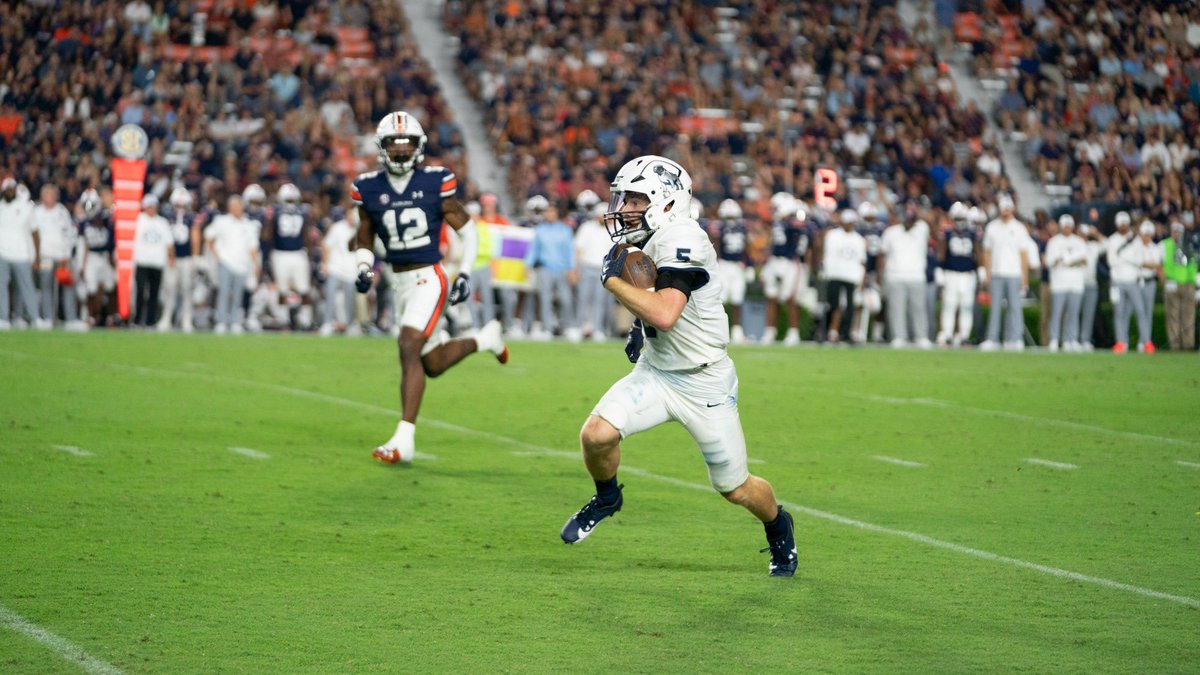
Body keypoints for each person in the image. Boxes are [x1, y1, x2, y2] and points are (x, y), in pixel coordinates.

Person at [559, 154, 797, 577]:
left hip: (704, 383)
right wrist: (637, 324)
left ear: (665, 201)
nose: (624, 208)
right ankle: (608, 496)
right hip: (657, 371)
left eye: (633, 199)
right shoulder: (652, 235)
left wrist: (613, 282)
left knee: (735, 489)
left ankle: (778, 525)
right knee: (596, 436)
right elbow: (654, 297)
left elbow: (667, 312)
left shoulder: (683, 236)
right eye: (624, 199)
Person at [353, 111, 509, 465]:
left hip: (429, 276)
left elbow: (468, 230)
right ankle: (485, 339)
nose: (401, 151)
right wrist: (364, 266)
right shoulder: (368, 187)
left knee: (408, 344)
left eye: (407, 144)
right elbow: (365, 235)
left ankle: (404, 439)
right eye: (394, 145)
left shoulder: (434, 182)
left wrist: (465, 272)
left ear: (420, 148)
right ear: (382, 148)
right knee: (432, 363)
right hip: (398, 282)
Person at [980, 195, 1030, 351]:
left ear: (1012, 209)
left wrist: (1025, 277)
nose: (1005, 211)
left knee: (1015, 307)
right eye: (1003, 208)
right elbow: (986, 252)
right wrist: (987, 273)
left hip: (1014, 273)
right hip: (996, 272)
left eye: (1008, 208)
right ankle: (992, 339)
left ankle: (1015, 339)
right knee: (994, 307)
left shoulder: (1020, 228)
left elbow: (1024, 254)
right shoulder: (992, 227)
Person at [205, 194, 260, 335]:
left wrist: (256, 265)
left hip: (242, 264)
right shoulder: (221, 221)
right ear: (229, 208)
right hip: (225, 262)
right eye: (233, 206)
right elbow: (208, 237)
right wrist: (216, 256)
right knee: (223, 293)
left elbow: (253, 247)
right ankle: (221, 322)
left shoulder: (248, 224)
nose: (236, 209)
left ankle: (235, 322)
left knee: (238, 295)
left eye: (238, 206)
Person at [760, 194, 810, 346]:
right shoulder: (777, 222)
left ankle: (793, 333)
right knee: (771, 297)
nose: (774, 211)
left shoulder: (794, 222)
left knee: (790, 299)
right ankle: (770, 332)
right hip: (775, 260)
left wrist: (788, 217)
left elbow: (799, 228)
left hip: (789, 262)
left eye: (776, 208)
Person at [263, 182, 314, 330]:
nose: (291, 203)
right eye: (289, 200)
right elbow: (269, 235)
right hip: (281, 253)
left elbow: (306, 235)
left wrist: (308, 254)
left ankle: (305, 320)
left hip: (297, 253)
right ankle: (284, 319)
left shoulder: (298, 212)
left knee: (303, 289)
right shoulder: (279, 212)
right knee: (283, 289)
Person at [31, 184, 81, 328]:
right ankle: (47, 318)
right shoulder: (37, 212)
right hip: (45, 256)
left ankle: (70, 319)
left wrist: (67, 254)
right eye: (47, 194)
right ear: (42, 196)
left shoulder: (62, 212)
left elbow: (70, 233)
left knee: (68, 285)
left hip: (61, 257)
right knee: (45, 286)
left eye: (53, 194)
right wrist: (36, 256)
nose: (50, 197)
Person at [526, 203, 578, 341]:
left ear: (556, 213)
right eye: (547, 212)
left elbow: (569, 251)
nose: (549, 214)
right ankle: (547, 328)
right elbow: (534, 250)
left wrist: (571, 268)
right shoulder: (540, 229)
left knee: (565, 299)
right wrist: (528, 265)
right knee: (545, 299)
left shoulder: (565, 229)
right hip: (545, 268)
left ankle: (568, 327)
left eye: (552, 211)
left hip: (562, 269)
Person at [879, 212, 931, 348]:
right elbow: (882, 254)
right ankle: (898, 337)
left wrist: (917, 212)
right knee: (896, 309)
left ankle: (921, 337)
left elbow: (933, 223)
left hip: (917, 275)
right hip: (895, 275)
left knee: (919, 308)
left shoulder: (922, 229)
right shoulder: (891, 232)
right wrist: (881, 276)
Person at [0, 177, 42, 329]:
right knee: (1, 287)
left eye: (12, 188)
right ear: (3, 191)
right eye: (7, 188)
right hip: (2, 254)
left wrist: (37, 255)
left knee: (27, 288)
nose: (10, 191)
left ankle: (35, 318)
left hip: (22, 253)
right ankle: (3, 318)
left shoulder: (26, 207)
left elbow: (35, 232)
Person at [158, 186, 201, 332]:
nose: (180, 208)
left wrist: (195, 257)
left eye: (183, 205)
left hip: (186, 258)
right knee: (169, 289)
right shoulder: (167, 217)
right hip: (172, 258)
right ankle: (166, 318)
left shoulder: (191, 218)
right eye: (178, 205)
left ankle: (186, 319)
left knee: (187, 289)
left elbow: (195, 237)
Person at [821, 209, 867, 344]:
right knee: (833, 304)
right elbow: (828, 255)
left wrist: (861, 278)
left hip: (851, 276)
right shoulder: (833, 235)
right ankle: (828, 332)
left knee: (850, 307)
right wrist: (826, 272)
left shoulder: (858, 239)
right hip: (834, 274)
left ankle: (846, 333)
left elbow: (861, 261)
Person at [1115, 220, 1162, 354]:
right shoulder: (1134, 244)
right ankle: (1123, 342)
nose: (1145, 236)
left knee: (1145, 313)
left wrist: (1145, 264)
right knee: (1127, 313)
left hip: (1148, 282)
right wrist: (1145, 264)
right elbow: (1127, 256)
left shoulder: (1155, 248)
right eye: (1143, 234)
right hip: (1135, 282)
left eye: (1148, 234)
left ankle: (1145, 342)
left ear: (1151, 235)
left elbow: (1155, 265)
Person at [936, 202, 978, 347]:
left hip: (968, 274)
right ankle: (947, 334)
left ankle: (964, 335)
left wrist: (981, 269)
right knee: (950, 305)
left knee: (966, 306)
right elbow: (941, 252)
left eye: (961, 219)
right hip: (951, 273)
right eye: (957, 219)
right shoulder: (946, 233)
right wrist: (939, 269)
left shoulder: (973, 233)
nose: (959, 222)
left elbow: (977, 253)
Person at [1044, 214, 1087, 351]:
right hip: (1059, 282)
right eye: (1065, 226)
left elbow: (1084, 260)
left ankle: (1071, 339)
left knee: (1073, 313)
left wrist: (1070, 261)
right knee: (1056, 312)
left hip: (1076, 282)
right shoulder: (1054, 242)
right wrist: (1060, 260)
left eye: (1069, 226)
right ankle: (1054, 339)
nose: (1067, 229)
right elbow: (1049, 261)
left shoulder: (1079, 242)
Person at [132, 194, 174, 327]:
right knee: (139, 291)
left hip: (157, 262)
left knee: (154, 293)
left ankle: (150, 321)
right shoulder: (138, 220)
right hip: (141, 261)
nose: (151, 209)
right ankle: (137, 320)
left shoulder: (162, 222)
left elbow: (169, 243)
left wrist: (171, 257)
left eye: (153, 206)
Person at [77, 188, 116, 328]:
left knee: (111, 285)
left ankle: (112, 316)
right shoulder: (83, 222)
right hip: (92, 256)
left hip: (105, 255)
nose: (89, 208)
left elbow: (113, 239)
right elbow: (83, 245)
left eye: (92, 204)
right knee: (91, 287)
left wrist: (112, 256)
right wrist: (81, 265)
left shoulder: (106, 218)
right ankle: (93, 316)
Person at [574, 199, 612, 341]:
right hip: (587, 267)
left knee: (600, 301)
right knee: (583, 299)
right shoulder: (586, 227)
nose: (603, 217)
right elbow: (578, 249)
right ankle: (580, 327)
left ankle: (597, 329)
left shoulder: (612, 231)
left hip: (603, 269)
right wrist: (576, 269)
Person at [713, 198, 749, 344]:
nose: (731, 220)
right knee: (719, 298)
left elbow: (745, 248)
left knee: (737, 298)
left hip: (737, 265)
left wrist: (748, 264)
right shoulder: (719, 228)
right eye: (728, 217)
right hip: (723, 264)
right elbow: (716, 246)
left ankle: (737, 331)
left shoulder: (742, 228)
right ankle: (717, 331)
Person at [319, 208, 359, 336]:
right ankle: (327, 323)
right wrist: (325, 264)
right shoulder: (337, 228)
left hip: (352, 270)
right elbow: (326, 245)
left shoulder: (361, 230)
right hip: (335, 267)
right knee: (330, 296)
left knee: (350, 300)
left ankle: (351, 324)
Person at [1106, 211, 1141, 354]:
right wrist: (1129, 259)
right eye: (1121, 223)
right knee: (1119, 312)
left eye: (1125, 223)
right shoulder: (1112, 240)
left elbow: (1139, 260)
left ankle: (1144, 342)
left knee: (1138, 311)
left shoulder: (1136, 239)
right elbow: (1111, 261)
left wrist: (1123, 257)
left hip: (1133, 280)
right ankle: (1121, 342)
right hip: (1117, 281)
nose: (1123, 226)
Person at [1160, 221, 1197, 351]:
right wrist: (1165, 281)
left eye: (1179, 231)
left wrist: (1195, 284)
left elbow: (1194, 265)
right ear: (1171, 232)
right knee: (1172, 316)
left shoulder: (1189, 245)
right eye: (1175, 231)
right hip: (1172, 283)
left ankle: (1188, 344)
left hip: (1188, 284)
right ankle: (1174, 345)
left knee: (1188, 316)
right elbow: (1160, 265)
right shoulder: (1164, 245)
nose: (1177, 234)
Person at [1078, 221, 1105, 350]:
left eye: (1085, 233)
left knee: (1089, 314)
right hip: (1076, 285)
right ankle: (1072, 340)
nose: (1082, 235)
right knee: (1074, 314)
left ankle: (1085, 340)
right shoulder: (1073, 244)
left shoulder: (1093, 246)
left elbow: (1107, 245)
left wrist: (1096, 233)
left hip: (1091, 285)